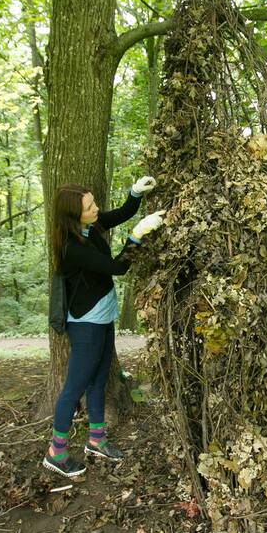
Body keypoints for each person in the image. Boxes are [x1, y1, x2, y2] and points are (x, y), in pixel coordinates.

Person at [42, 176, 165, 479]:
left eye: (94, 202)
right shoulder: (72, 247)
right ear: (75, 215)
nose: (97, 209)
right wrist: (136, 237)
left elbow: (120, 213)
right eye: (90, 206)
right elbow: (118, 267)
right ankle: (56, 453)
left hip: (103, 316)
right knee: (74, 389)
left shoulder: (91, 225)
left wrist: (135, 193)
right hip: (86, 325)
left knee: (99, 381)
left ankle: (96, 440)